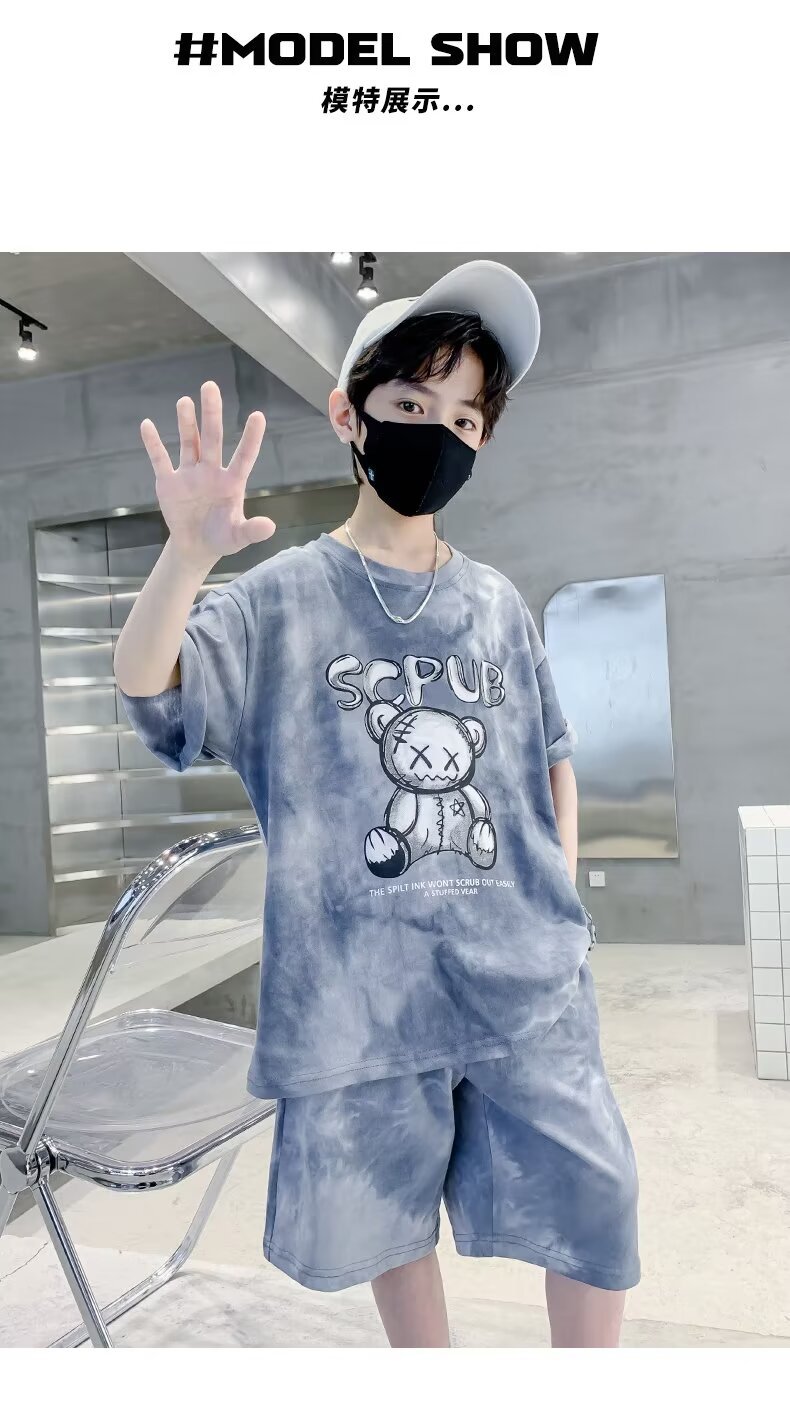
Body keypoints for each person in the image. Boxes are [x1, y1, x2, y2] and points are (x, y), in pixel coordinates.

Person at [114, 259, 640, 1348]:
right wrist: (185, 558)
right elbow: (153, 693)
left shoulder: (493, 602)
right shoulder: (281, 600)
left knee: (594, 1200)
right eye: (411, 405)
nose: (438, 434)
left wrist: (559, 909)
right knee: (393, 1225)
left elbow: (550, 755)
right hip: (361, 994)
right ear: (350, 413)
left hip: (522, 979)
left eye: (464, 418)